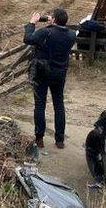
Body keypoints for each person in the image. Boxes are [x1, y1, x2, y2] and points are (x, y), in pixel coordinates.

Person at [24, 9, 76, 149]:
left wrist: (32, 23)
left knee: (40, 105)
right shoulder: (71, 35)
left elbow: (28, 39)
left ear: (53, 20)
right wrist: (53, 21)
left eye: (51, 17)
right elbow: (60, 33)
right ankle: (59, 140)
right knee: (59, 105)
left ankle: (39, 138)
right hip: (59, 73)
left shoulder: (46, 32)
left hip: (42, 71)